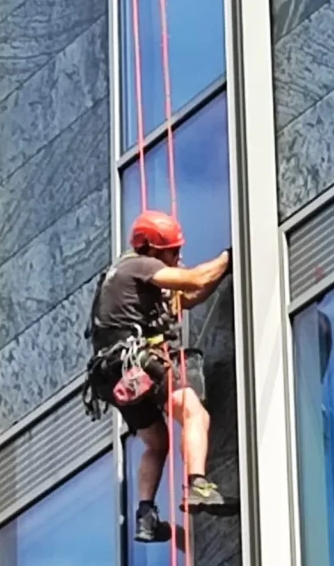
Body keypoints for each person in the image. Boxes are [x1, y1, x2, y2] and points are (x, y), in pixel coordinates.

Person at [83, 209, 233, 542]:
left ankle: (146, 516)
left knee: (156, 443)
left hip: (114, 375)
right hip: (139, 362)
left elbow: (188, 297)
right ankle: (198, 484)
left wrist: (219, 273)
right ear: (151, 249)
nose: (177, 257)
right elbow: (193, 280)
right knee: (193, 412)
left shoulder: (123, 280)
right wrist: (228, 256)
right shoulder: (141, 265)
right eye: (172, 251)